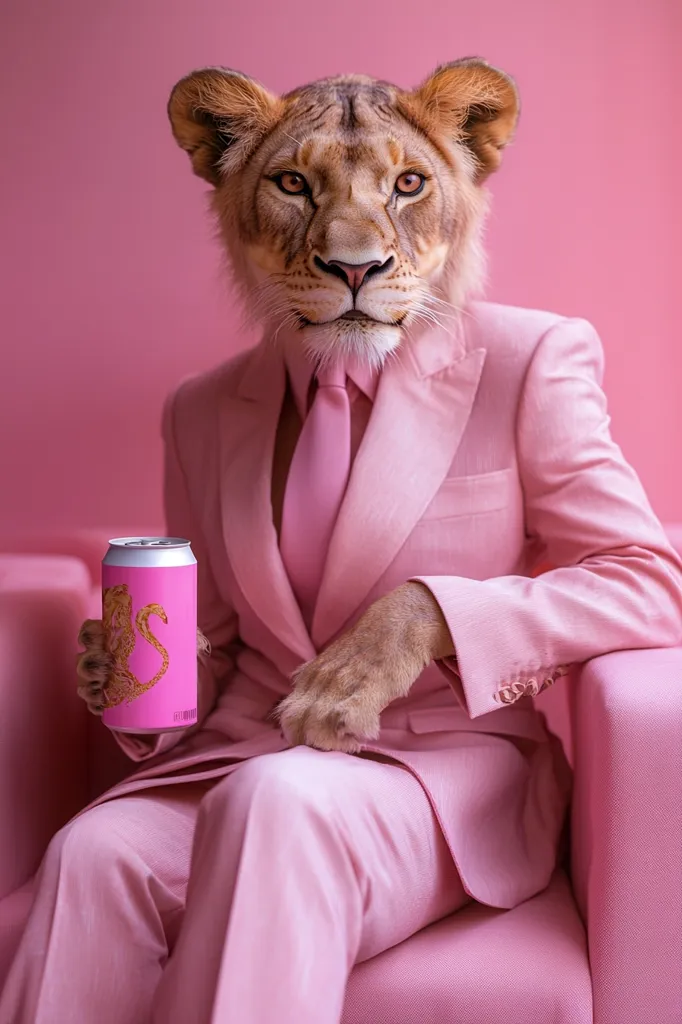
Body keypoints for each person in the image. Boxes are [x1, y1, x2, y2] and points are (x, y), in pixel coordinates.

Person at [2, 58, 681, 1024]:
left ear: (463, 181)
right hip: (240, 761)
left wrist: (428, 619)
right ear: (231, 188)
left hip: (440, 773)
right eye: (294, 184)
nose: (354, 243)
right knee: (93, 853)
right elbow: (219, 649)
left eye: (409, 186)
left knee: (278, 804)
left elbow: (652, 583)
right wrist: (139, 680)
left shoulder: (530, 362)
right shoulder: (201, 412)